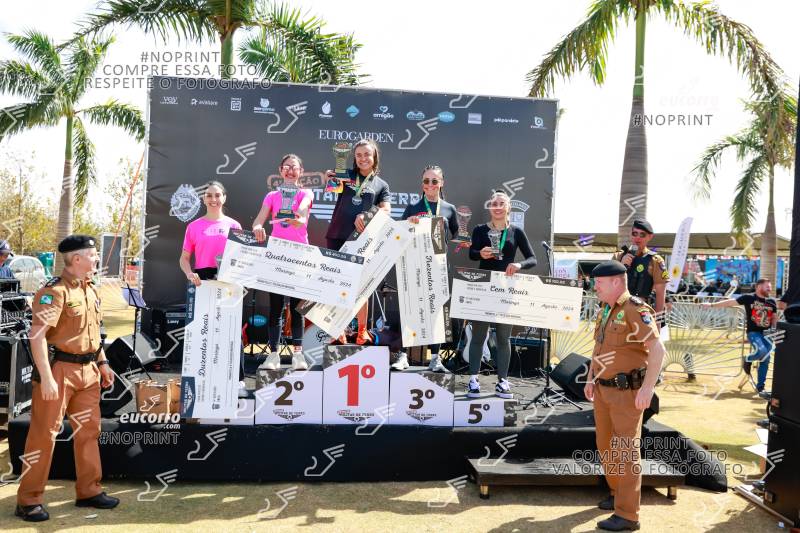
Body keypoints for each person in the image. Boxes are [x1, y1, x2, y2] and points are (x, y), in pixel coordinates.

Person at [16, 235, 118, 522]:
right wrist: (47, 378)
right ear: (76, 259)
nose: (97, 259)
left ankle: (89, 491)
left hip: (89, 371)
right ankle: (28, 500)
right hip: (60, 370)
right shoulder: (54, 292)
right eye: (93, 255)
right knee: (43, 435)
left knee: (89, 432)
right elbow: (37, 337)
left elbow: (94, 332)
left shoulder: (91, 290)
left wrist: (103, 362)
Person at [584, 260, 665, 532]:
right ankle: (617, 493)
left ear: (616, 282)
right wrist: (590, 378)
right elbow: (598, 348)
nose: (595, 287)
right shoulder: (605, 310)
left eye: (599, 282)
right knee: (606, 447)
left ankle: (628, 515)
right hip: (603, 390)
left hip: (627, 394)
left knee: (625, 452)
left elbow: (658, 350)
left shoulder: (635, 309)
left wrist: (648, 388)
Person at [466, 190, 536, 398]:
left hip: (505, 290)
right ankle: (473, 380)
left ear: (508, 208)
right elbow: (471, 254)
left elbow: (532, 259)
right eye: (493, 203)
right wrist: (480, 253)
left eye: (501, 203)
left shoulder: (516, 231)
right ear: (490, 208)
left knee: (504, 338)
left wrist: (519, 264)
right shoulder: (480, 230)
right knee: (478, 337)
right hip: (484, 288)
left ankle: (502, 381)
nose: (497, 207)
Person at [324, 139, 391, 344]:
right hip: (337, 236)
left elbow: (386, 210)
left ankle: (362, 330)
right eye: (359, 155)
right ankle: (338, 329)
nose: (363, 158)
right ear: (354, 157)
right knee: (338, 283)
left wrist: (366, 215)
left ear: (374, 157)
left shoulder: (381, 185)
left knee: (361, 287)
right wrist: (330, 179)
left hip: (362, 241)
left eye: (367, 154)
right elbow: (331, 189)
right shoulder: (345, 175)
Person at [253, 154, 313, 371]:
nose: (290, 171)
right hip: (277, 255)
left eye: (294, 167)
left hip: (298, 256)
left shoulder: (306, 193)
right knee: (276, 307)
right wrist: (258, 228)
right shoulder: (272, 195)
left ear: (301, 172)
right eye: (286, 167)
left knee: (297, 308)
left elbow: (303, 213)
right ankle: (273, 355)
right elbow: (259, 220)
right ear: (280, 170)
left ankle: (298, 355)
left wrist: (299, 220)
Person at [401, 165, 459, 372]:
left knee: (437, 314)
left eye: (435, 181)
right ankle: (403, 356)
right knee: (411, 309)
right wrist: (408, 224)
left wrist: (462, 242)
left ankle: (435, 358)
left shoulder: (449, 209)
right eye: (426, 181)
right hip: (416, 265)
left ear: (441, 183)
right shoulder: (412, 207)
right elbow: (400, 235)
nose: (430, 185)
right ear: (422, 184)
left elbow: (456, 235)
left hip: (439, 267)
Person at [705, 278, 777, 396]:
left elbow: (774, 317)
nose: (770, 289)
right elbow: (730, 303)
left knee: (766, 359)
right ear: (758, 287)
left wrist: (774, 329)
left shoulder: (772, 301)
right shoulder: (749, 298)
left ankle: (761, 387)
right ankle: (747, 359)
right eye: (767, 287)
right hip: (754, 333)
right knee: (762, 351)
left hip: (768, 334)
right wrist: (712, 305)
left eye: (770, 287)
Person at [179, 181, 242, 284]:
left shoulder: (234, 226)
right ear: (204, 199)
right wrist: (189, 273)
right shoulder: (193, 227)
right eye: (209, 196)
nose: (213, 199)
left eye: (217, 195)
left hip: (228, 279)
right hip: (201, 279)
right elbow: (184, 258)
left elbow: (241, 256)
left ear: (224, 198)